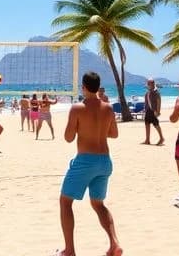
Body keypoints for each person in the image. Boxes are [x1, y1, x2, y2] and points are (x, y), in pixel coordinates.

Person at [56, 71, 122, 256]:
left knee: (65, 202)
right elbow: (114, 134)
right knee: (98, 204)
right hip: (105, 161)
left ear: (83, 87)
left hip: (86, 160)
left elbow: (68, 138)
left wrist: (81, 128)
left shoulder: (77, 108)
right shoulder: (108, 108)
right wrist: (96, 130)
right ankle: (114, 243)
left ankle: (69, 250)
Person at [142, 79, 164, 145]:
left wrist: (158, 111)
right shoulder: (147, 92)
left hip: (153, 111)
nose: (149, 85)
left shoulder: (156, 92)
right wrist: (144, 109)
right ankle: (147, 140)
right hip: (148, 110)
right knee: (147, 124)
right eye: (148, 83)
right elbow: (146, 102)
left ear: (153, 84)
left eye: (150, 83)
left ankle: (161, 138)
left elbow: (159, 102)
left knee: (156, 124)